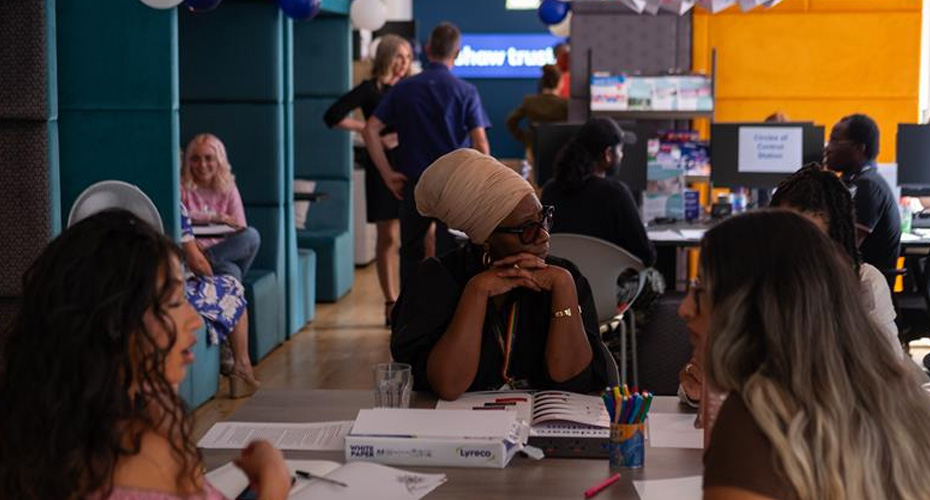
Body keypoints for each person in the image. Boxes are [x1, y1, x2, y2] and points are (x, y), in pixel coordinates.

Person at [0, 210, 290, 500]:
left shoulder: (59, 425)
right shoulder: (131, 451)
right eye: (175, 301)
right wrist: (272, 484)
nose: (194, 321)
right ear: (117, 323)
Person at [700, 210, 930, 500]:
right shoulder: (895, 402)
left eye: (700, 291)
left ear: (750, 309)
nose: (683, 309)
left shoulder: (755, 422)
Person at [679, 164, 904, 420]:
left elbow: (891, 381)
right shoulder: (754, 282)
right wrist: (695, 385)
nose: (792, 253)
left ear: (835, 246)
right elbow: (707, 376)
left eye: (808, 242)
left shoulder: (864, 284)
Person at [391, 149, 609, 401]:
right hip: (458, 430)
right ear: (486, 238)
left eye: (544, 218)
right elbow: (448, 386)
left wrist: (565, 291)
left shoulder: (562, 276)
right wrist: (476, 292)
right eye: (527, 228)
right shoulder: (436, 280)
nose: (543, 235)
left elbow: (572, 379)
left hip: (543, 425)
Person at [364, 22, 492, 284]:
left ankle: (409, 319)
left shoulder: (404, 88)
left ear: (427, 48)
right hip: (455, 188)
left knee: (410, 254)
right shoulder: (466, 91)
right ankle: (451, 319)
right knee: (452, 256)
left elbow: (370, 129)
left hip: (415, 186)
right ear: (457, 52)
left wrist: (387, 174)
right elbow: (481, 144)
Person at [324, 34, 413, 326]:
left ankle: (416, 302)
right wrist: (369, 130)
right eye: (400, 56)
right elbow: (332, 116)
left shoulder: (412, 88)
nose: (404, 62)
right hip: (382, 166)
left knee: (416, 237)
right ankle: (391, 302)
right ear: (387, 56)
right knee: (388, 238)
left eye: (408, 57)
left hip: (412, 164)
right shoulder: (370, 89)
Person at [541, 117, 656, 266]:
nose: (622, 155)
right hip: (607, 287)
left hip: (562, 286)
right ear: (608, 154)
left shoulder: (550, 190)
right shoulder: (616, 193)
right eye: (620, 150)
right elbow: (646, 255)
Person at [181, 204, 260, 397]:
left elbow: (241, 227)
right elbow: (196, 263)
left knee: (235, 263)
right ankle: (241, 368)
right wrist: (207, 273)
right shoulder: (174, 203)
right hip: (173, 291)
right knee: (231, 285)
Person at [824, 114, 901, 274]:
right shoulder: (852, 181)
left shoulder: (868, 186)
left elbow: (845, 248)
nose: (827, 147)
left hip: (865, 287)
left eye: (835, 140)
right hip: (849, 278)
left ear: (859, 148)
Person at [181, 133, 261, 282]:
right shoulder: (182, 187)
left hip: (221, 253)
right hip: (191, 252)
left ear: (219, 160)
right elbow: (180, 217)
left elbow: (240, 227)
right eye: (195, 159)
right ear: (188, 162)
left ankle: (205, 260)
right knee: (232, 273)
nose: (202, 165)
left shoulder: (229, 188)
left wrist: (211, 251)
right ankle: (200, 263)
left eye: (208, 158)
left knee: (252, 236)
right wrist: (214, 217)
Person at [506, 64, 568, 165]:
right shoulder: (565, 104)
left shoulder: (530, 101)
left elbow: (511, 121)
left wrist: (526, 138)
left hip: (534, 149)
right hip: (559, 150)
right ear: (560, 83)